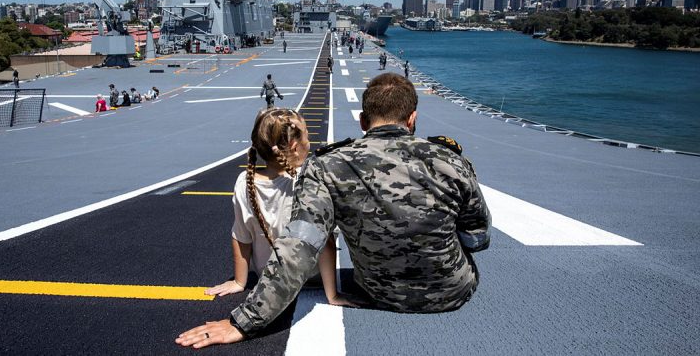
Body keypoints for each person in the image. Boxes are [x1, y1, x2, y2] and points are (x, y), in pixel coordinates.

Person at [176, 73, 491, 348]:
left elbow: (299, 248)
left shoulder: (327, 167)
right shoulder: (451, 160)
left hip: (379, 294)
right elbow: (478, 236)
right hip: (453, 294)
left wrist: (243, 322)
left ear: (363, 121)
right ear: (412, 119)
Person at [203, 108, 347, 308]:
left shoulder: (244, 182)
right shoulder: (310, 180)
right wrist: (332, 295)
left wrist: (239, 282)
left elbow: (240, 235)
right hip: (310, 276)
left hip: (269, 277)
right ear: (295, 146)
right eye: (307, 135)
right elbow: (326, 241)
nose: (309, 141)